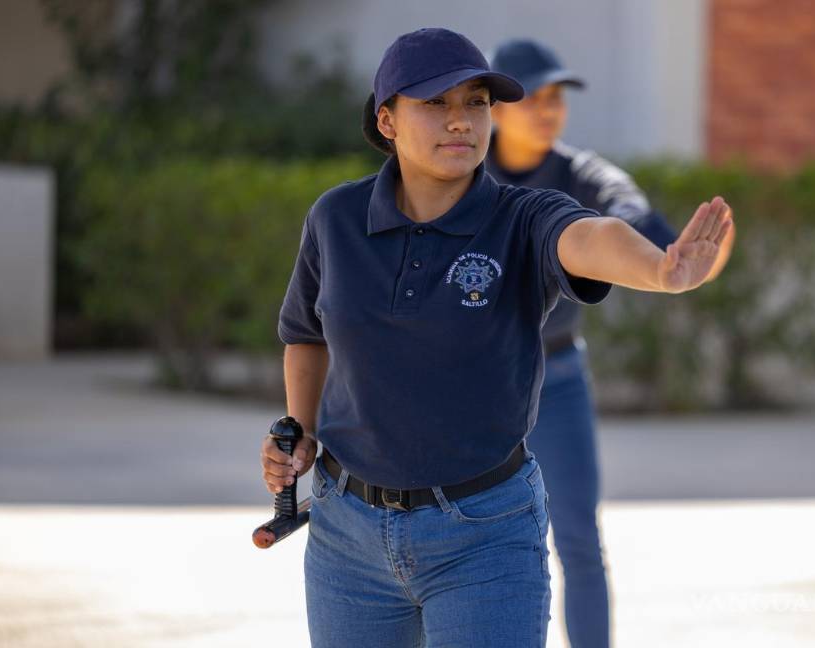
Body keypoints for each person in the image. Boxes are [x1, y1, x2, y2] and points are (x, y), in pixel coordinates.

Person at [259, 27, 733, 648]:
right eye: (436, 103)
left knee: (581, 542)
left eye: (476, 103)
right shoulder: (335, 218)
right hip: (346, 539)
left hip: (484, 536)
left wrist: (661, 271)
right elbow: (306, 335)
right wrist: (302, 433)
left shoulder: (524, 214)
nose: (461, 121)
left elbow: (590, 237)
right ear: (388, 119)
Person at [486, 38, 736, 648]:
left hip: (558, 377)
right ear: (495, 107)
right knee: (476, 544)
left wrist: (674, 259)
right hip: (475, 383)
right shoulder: (461, 172)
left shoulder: (582, 173)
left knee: (577, 539)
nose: (548, 111)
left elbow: (629, 213)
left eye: (556, 98)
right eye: (532, 98)